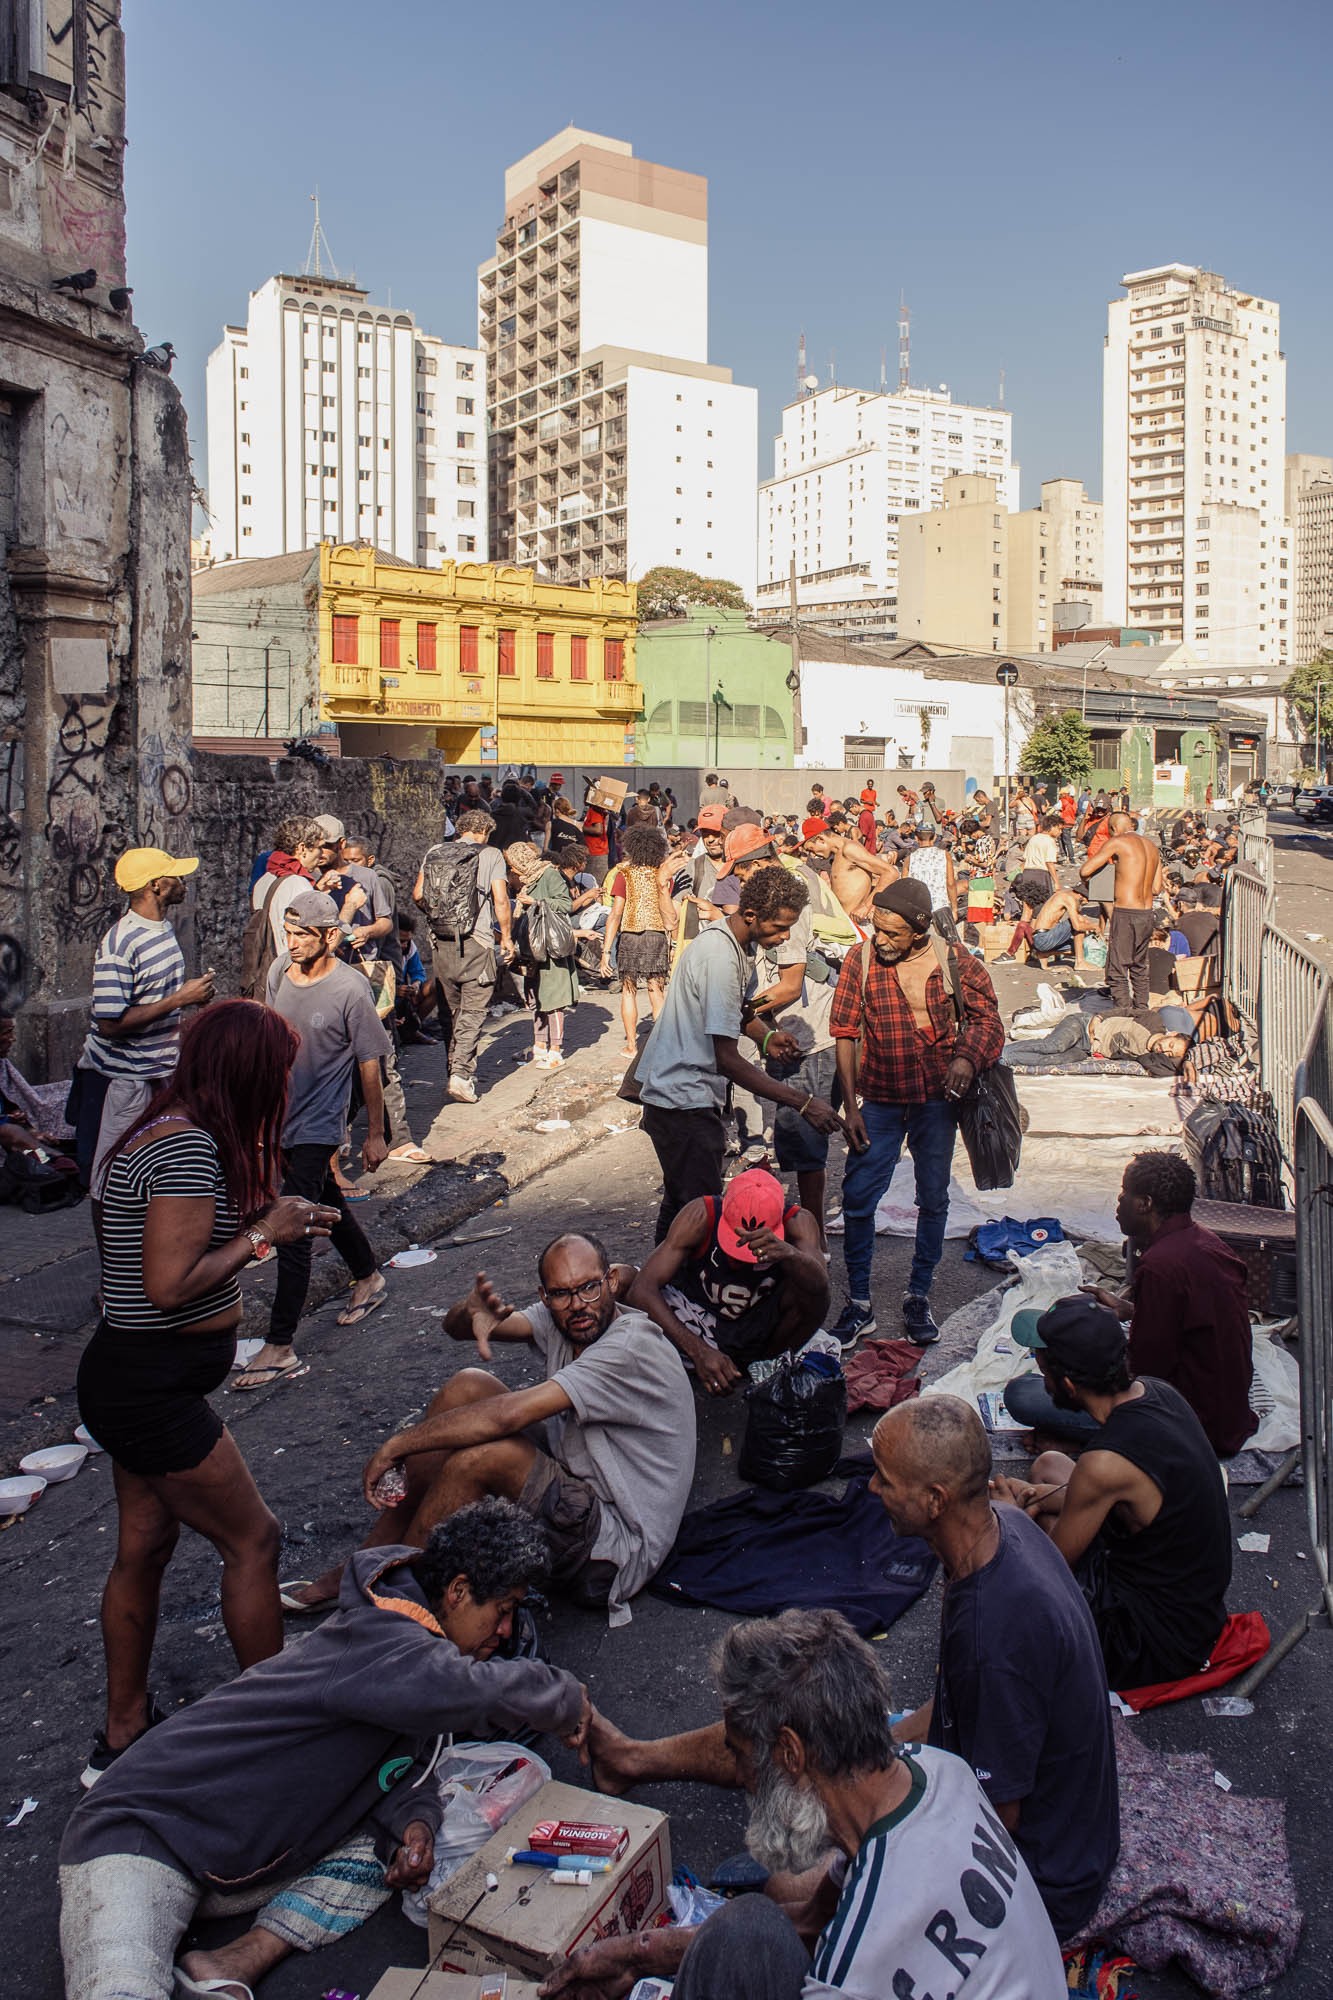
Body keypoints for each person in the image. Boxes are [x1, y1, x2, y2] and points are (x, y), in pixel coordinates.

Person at [60, 1502, 590, 2000]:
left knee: (391, 1855)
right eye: (503, 1610)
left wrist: (415, 1826)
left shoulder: (423, 1660)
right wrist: (566, 1699)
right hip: (145, 1832)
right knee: (120, 1987)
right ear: (457, 1591)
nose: (505, 1631)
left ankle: (237, 1960)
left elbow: (406, 1768)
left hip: (248, 1858)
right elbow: (470, 1690)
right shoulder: (383, 1639)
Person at [74, 1001, 340, 1788]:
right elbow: (168, 1284)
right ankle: (277, 1730)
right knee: (253, 1540)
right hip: (150, 1390)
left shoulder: (167, 1131)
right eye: (278, 1072)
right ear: (246, 1072)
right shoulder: (186, 1147)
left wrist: (267, 1217)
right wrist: (262, 1238)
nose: (284, 1085)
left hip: (133, 1380)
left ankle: (122, 1735)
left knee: (144, 1549)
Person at [548, 1609, 1066, 2000]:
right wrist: (640, 1954)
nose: (741, 1777)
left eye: (741, 1756)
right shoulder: (933, 1770)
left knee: (746, 1934)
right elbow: (815, 1919)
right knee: (756, 1921)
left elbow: (837, 1943)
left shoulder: (852, 1971)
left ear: (791, 1753)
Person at [288, 1235, 695, 1629]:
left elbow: (506, 1417)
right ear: (544, 1296)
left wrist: (397, 1445)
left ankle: (394, 1611)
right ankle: (371, 1562)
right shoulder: (567, 1319)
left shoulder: (628, 1347)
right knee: (467, 1386)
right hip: (580, 1489)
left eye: (589, 1288)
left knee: (480, 1459)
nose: (577, 1305)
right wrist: (467, 1311)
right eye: (561, 1294)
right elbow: (460, 1329)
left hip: (615, 1552)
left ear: (610, 1282)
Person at [866, 1398, 1119, 1939]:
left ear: (935, 1500)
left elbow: (996, 1821)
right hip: (1062, 1831)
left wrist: (875, 1833)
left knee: (805, 1879)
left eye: (885, 1479)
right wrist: (881, 1749)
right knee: (837, 1745)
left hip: (1041, 1886)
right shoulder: (1005, 1523)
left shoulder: (993, 1634)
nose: (872, 1488)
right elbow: (958, 1700)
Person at [994, 1298, 1233, 1687]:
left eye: (1043, 1368)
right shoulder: (1157, 1391)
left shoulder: (1103, 1465)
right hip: (1194, 1605)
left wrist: (1011, 1518)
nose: (1039, 1374)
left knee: (1006, 1573)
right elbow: (1115, 1491)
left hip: (1155, 1640)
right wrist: (1035, 1493)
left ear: (1068, 1386)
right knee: (1049, 1464)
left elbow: (1047, 1572)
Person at [829, 878, 1003, 1346]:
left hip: (936, 1102)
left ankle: (918, 1295)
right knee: (858, 1198)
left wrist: (966, 1058)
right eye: (877, 928)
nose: (881, 939)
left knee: (934, 1198)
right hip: (879, 1100)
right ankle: (859, 1302)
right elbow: (844, 1032)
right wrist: (851, 1107)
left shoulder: (954, 960)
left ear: (919, 930)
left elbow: (988, 1020)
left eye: (893, 933)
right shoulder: (860, 959)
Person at [635, 866, 843, 1241]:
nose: (784, 937)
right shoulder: (720, 957)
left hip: (683, 1097)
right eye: (779, 928)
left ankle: (662, 1275)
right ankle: (679, 1276)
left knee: (681, 1207)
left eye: (789, 928)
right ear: (750, 915)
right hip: (682, 1100)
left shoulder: (738, 945)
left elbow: (740, 1011)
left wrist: (766, 1037)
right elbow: (727, 1059)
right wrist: (802, 1102)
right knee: (701, 1219)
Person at [236, 891, 389, 1391]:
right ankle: (368, 1275)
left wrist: (375, 1134)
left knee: (293, 1224)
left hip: (321, 1122)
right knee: (324, 1201)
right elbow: (268, 1039)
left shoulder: (350, 989)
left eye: (303, 934)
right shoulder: (279, 971)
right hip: (280, 1116)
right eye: (289, 932)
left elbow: (370, 1063)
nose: (293, 942)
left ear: (330, 936)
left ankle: (280, 1344)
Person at [1070, 1153, 1255, 1455]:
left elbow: (1147, 1370)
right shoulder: (1207, 1242)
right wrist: (1129, 1311)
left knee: (1026, 1396)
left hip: (1191, 1426)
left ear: (1145, 1204)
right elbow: (1191, 1322)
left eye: (1125, 1192)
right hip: (1230, 1416)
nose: (1119, 1200)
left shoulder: (1160, 1266)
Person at [69, 849, 215, 1199]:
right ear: (155, 886)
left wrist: (187, 998)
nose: (183, 881)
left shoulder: (161, 930)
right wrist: (179, 999)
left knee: (153, 1172)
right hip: (124, 1081)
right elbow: (110, 1023)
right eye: (175, 876)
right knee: (109, 1181)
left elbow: (154, 1001)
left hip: (158, 1072)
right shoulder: (121, 943)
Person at [629, 1167, 830, 1395]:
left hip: (760, 1326)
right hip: (702, 1319)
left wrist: (790, 1255)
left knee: (813, 1293)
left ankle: (764, 1365)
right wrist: (699, 1351)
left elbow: (821, 1287)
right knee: (622, 1278)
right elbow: (641, 1289)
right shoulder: (701, 1215)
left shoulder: (798, 1222)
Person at [413, 809, 515, 1105]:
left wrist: (438, 919)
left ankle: (452, 1068)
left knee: (450, 1010)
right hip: (477, 940)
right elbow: (500, 900)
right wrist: (506, 937)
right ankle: (460, 1075)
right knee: (473, 1010)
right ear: (485, 831)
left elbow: (418, 895)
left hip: (441, 942)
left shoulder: (435, 851)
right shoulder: (491, 854)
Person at [600, 823, 677, 1055]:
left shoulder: (623, 875)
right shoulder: (663, 875)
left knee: (628, 990)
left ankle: (631, 1045)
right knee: (656, 991)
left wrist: (606, 952)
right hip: (657, 935)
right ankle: (662, 1047)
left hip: (630, 936)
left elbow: (615, 915)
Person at [1080, 810, 1166, 1010]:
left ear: (1113, 828)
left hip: (1126, 912)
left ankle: (1123, 1012)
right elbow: (1156, 888)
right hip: (1146, 913)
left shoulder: (1118, 842)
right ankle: (1142, 1009)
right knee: (1139, 967)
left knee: (1117, 969)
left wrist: (1097, 883)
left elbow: (1085, 870)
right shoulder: (1152, 847)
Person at [506, 839, 579, 1068]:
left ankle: (555, 1051)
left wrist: (536, 902)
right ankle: (539, 1046)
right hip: (532, 948)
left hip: (550, 948)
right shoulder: (528, 880)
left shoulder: (549, 874)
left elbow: (565, 904)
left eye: (512, 864)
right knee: (536, 998)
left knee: (553, 999)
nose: (511, 869)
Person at [1001, 1009, 1190, 1075]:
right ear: (1172, 1034)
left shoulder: (1148, 1057)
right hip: (1084, 1025)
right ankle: (1002, 1052)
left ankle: (1007, 1060)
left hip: (1087, 1049)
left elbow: (1164, 1070)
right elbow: (1124, 1010)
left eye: (1170, 1054)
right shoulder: (1153, 1020)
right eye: (1170, 1045)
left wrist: (1187, 1062)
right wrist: (1099, 1017)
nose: (1164, 1050)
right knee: (1053, 1046)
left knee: (1055, 1060)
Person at [249, 815, 333, 956]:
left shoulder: (264, 880)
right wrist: (351, 905)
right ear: (302, 848)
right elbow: (312, 944)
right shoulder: (298, 883)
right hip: (292, 964)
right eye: (319, 847)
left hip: (270, 964)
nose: (322, 854)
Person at [800, 818, 898, 924]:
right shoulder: (838, 854)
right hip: (844, 922)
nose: (813, 854)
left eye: (811, 849)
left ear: (821, 839)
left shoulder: (849, 849)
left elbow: (890, 873)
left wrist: (866, 906)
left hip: (856, 923)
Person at [999, 884, 1101, 969]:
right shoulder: (1069, 898)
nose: (1086, 903)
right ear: (1080, 895)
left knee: (1080, 947)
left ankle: (1045, 954)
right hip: (1043, 938)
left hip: (1040, 939)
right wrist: (1095, 927)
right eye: (1086, 900)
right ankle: (1080, 963)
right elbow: (1077, 926)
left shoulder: (1062, 894)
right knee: (1080, 920)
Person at [905, 820, 958, 938]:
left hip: (919, 909)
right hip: (941, 906)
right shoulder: (944, 855)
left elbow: (905, 887)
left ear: (916, 838)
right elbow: (950, 883)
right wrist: (954, 909)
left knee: (922, 946)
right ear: (934, 837)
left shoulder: (910, 859)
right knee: (952, 945)